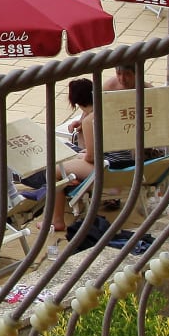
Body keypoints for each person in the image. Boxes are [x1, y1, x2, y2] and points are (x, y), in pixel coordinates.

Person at [48, 78, 99, 252]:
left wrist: (80, 156)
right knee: (71, 160)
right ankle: (72, 179)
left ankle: (57, 219)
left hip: (104, 166)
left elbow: (92, 157)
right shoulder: (104, 109)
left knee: (55, 170)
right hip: (121, 164)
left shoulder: (90, 119)